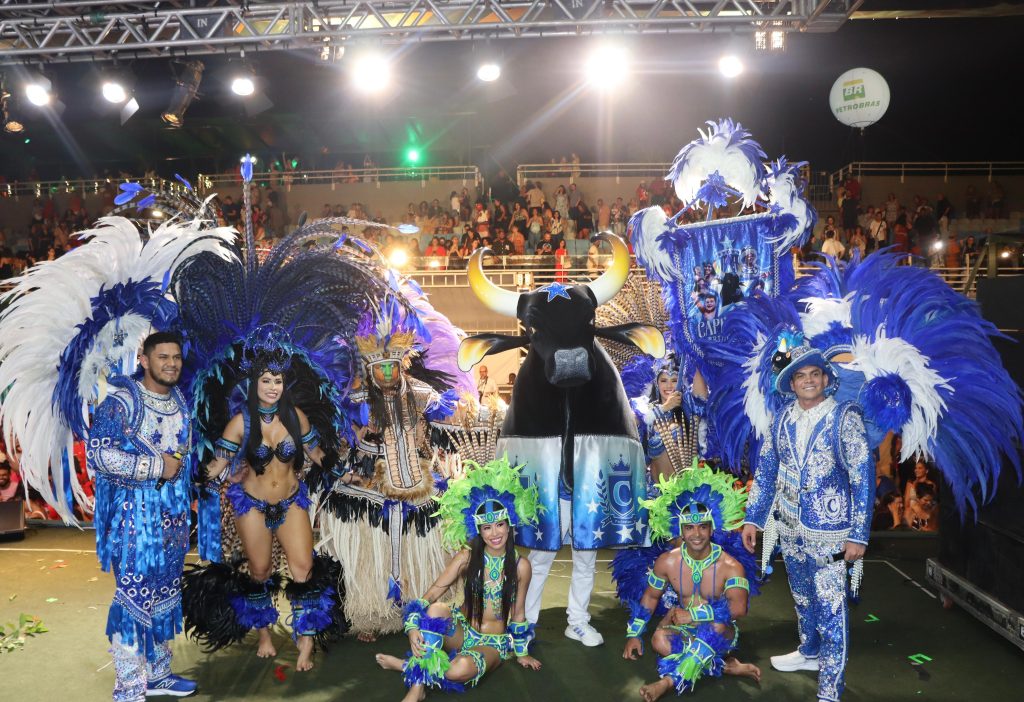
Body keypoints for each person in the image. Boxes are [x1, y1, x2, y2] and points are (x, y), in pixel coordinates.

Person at [184, 329, 345, 672]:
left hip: (291, 502)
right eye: (267, 380)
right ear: (254, 383)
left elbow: (316, 453)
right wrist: (194, 475)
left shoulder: (296, 417)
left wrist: (340, 469)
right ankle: (264, 635)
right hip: (252, 506)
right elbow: (219, 463)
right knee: (259, 571)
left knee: (304, 568)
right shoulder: (240, 422)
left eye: (278, 381)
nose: (273, 387)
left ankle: (306, 641)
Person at [742, 342, 873, 702]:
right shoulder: (782, 418)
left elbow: (863, 476)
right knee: (802, 597)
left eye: (815, 373)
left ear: (826, 379)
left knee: (830, 607)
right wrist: (753, 519)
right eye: (800, 375)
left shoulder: (844, 417)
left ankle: (830, 689)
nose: (809, 380)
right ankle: (809, 651)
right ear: (791, 383)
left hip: (831, 533)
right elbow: (766, 471)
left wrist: (859, 534)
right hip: (789, 526)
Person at [87, 332, 198, 700]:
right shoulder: (121, 403)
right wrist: (154, 466)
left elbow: (185, 457)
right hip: (134, 518)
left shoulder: (181, 400)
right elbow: (98, 455)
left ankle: (158, 673)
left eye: (176, 357)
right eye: (162, 357)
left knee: (164, 595)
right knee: (134, 597)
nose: (171, 363)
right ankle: (129, 687)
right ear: (144, 360)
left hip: (173, 519)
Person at [375, 457, 542, 701]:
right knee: (436, 609)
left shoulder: (521, 566)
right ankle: (417, 688)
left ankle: (406, 666)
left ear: (509, 525)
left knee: (456, 671)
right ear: (478, 530)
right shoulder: (466, 557)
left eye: (499, 524)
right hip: (461, 632)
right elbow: (434, 592)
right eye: (487, 527)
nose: (494, 533)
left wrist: (521, 652)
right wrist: (412, 626)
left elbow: (518, 612)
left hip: (492, 644)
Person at [619, 466, 761, 700]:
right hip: (684, 629)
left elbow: (738, 609)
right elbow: (650, 597)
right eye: (689, 527)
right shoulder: (667, 562)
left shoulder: (731, 566)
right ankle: (723, 665)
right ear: (682, 532)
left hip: (721, 630)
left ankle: (666, 682)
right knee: (658, 640)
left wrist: (694, 615)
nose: (697, 534)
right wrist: (634, 634)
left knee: (715, 629)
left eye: (703, 526)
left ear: (711, 529)